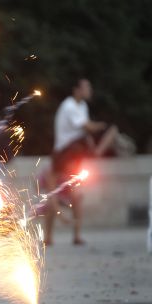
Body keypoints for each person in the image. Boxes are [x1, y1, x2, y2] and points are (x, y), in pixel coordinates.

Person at [44, 78, 118, 246]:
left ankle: (74, 235)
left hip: (75, 152)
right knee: (59, 196)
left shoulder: (82, 106)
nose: (90, 90)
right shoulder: (69, 105)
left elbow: (84, 132)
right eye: (87, 87)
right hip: (65, 152)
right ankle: (50, 236)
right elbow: (86, 127)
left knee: (76, 196)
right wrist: (100, 126)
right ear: (76, 90)